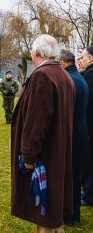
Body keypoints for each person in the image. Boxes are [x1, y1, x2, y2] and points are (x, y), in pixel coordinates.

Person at [11, 35, 75, 233]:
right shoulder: (63, 75)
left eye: (31, 50)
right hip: (58, 150)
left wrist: (28, 155)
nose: (30, 53)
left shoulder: (43, 75)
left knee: (45, 209)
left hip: (45, 155)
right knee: (52, 209)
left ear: (37, 52)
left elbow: (37, 121)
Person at [59, 49, 89, 225]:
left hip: (73, 135)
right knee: (74, 176)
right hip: (81, 132)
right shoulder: (80, 78)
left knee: (70, 176)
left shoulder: (70, 80)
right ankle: (73, 213)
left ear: (62, 63)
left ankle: (70, 215)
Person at [80, 46, 93, 206]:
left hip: (89, 127)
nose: (81, 61)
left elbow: (88, 106)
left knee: (89, 162)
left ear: (90, 59)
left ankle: (89, 196)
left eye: (83, 57)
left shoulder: (90, 75)